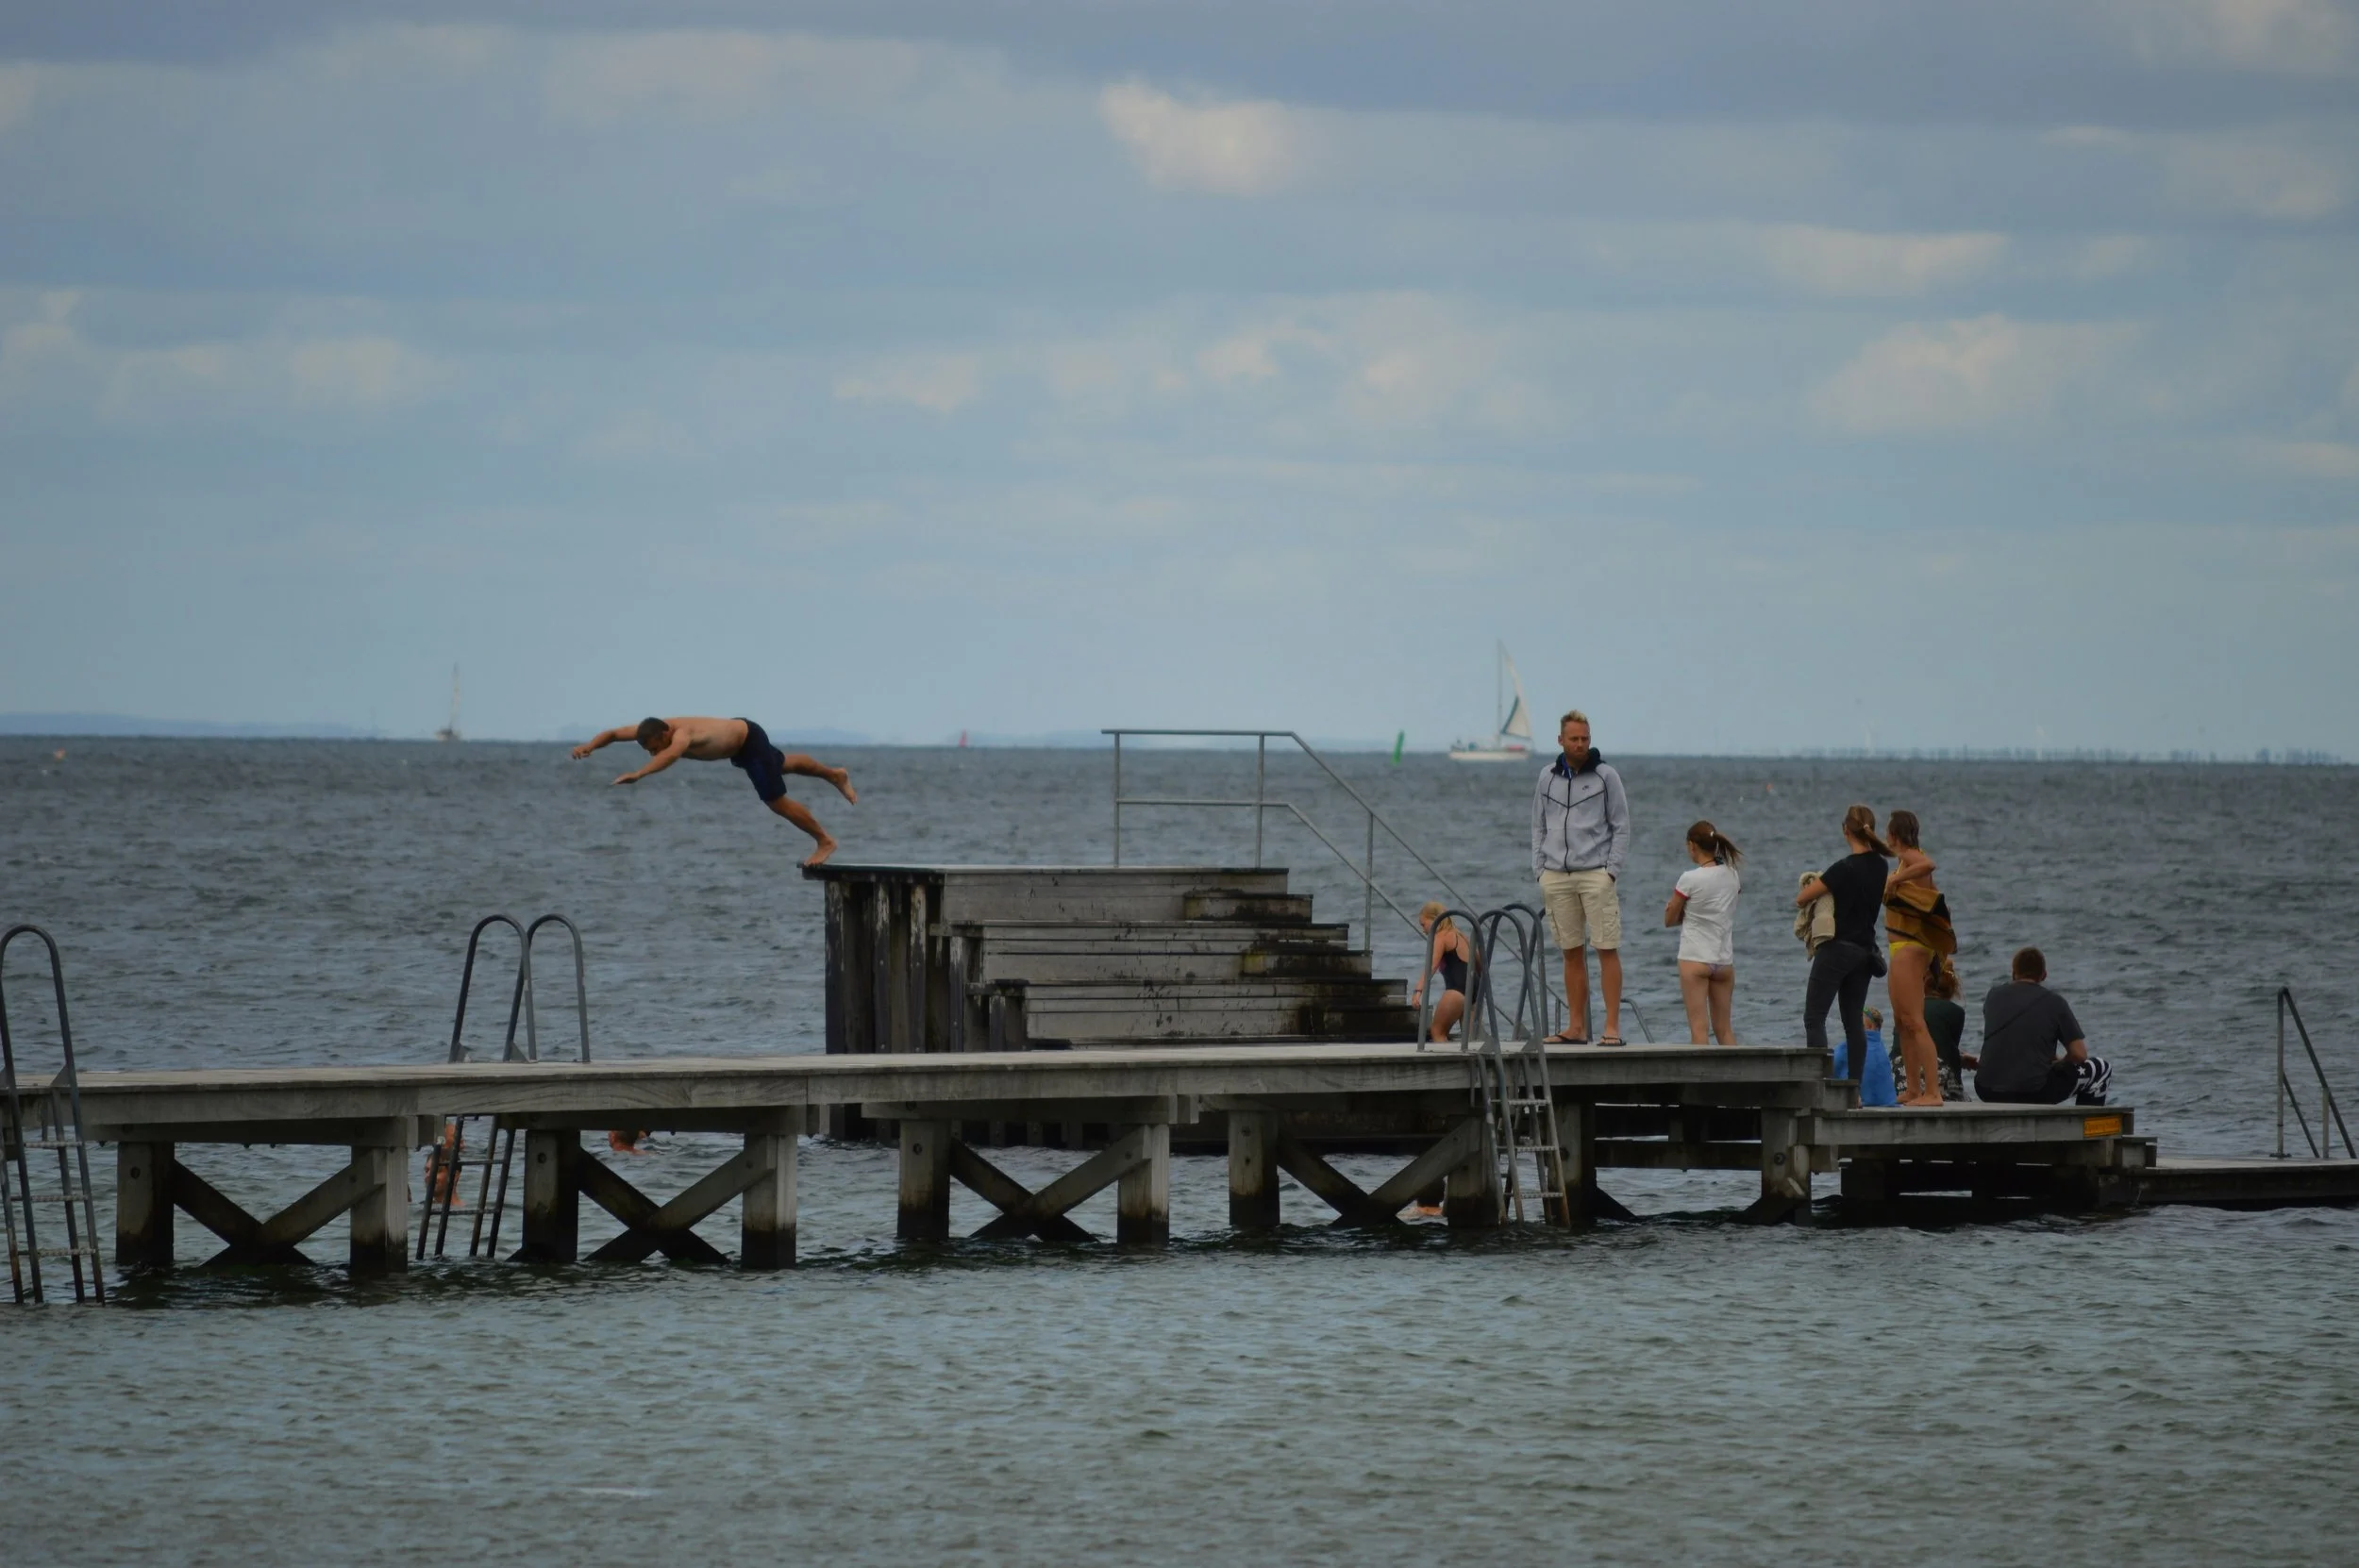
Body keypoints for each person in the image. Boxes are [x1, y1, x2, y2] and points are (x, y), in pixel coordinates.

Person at [573, 716, 857, 867]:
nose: (652, 753)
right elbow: (612, 733)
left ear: (664, 734)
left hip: (747, 741)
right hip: (743, 736)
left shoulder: (682, 735)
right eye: (648, 751)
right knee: (781, 765)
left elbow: (669, 757)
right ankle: (835, 774)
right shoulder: (654, 728)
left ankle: (824, 841)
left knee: (774, 800)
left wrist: (639, 773)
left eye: (653, 748)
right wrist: (589, 746)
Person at [1532, 709, 1630, 1044]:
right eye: (1574, 739)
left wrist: (1610, 872)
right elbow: (1538, 824)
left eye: (1585, 738)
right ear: (1561, 740)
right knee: (1570, 952)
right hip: (1556, 875)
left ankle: (1612, 1028)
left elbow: (1621, 826)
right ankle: (1576, 1028)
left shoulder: (1606, 776)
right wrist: (1540, 869)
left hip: (1595, 874)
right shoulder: (1546, 777)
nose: (1580, 744)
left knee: (1607, 948)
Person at [1795, 805, 1890, 1089]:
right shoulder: (1881, 865)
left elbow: (1802, 898)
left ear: (1846, 830)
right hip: (1865, 953)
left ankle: (1819, 1086)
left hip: (1837, 950)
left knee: (1815, 1018)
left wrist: (1821, 882)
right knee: (1853, 1024)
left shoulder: (1843, 868)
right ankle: (1855, 1092)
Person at [1973, 946, 2113, 1106]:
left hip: (1987, 1089)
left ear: (2013, 973)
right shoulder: (2055, 1002)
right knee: (2101, 1069)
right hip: (2033, 1092)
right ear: (2044, 975)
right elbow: (2079, 1055)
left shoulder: (1993, 996)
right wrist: (2059, 1063)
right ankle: (2085, 1129)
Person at [1882, 809, 1955, 1108]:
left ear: (1893, 835)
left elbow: (1928, 864)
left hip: (1911, 949)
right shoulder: (1903, 861)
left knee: (1915, 1020)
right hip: (1900, 948)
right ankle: (1913, 1089)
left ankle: (1933, 1092)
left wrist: (1891, 882)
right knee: (1902, 1022)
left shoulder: (1912, 856)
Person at [1664, 820, 1743, 1044]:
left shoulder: (1689, 878)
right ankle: (1738, 1078)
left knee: (1699, 1031)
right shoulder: (1732, 875)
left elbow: (1669, 919)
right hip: (1723, 961)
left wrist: (1678, 912)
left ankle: (1702, 1080)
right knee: (1725, 1031)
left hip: (1695, 958)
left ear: (1692, 846)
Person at [1410, 902, 1475, 1043]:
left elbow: (1431, 966)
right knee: (1470, 1041)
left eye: (1423, 924)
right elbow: (1480, 962)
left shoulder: (1441, 936)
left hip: (1456, 990)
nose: (1423, 929)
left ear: (1435, 920)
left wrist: (1418, 990)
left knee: (1437, 1032)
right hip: (1473, 991)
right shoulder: (1461, 935)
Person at [1924, 957, 1967, 1101]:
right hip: (1939, 1082)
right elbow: (1947, 1051)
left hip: (1900, 1078)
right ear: (1952, 989)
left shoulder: (1909, 1009)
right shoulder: (1956, 1012)